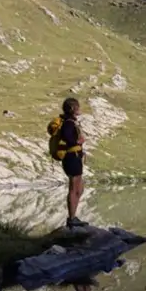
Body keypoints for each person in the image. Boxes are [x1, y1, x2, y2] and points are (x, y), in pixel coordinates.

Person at [54, 96, 87, 229]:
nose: (80, 109)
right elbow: (67, 137)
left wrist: (80, 149)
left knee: (80, 188)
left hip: (75, 156)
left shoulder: (70, 121)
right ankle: (71, 219)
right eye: (78, 107)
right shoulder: (68, 122)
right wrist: (77, 142)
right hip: (71, 158)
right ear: (73, 108)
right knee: (74, 189)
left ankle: (73, 216)